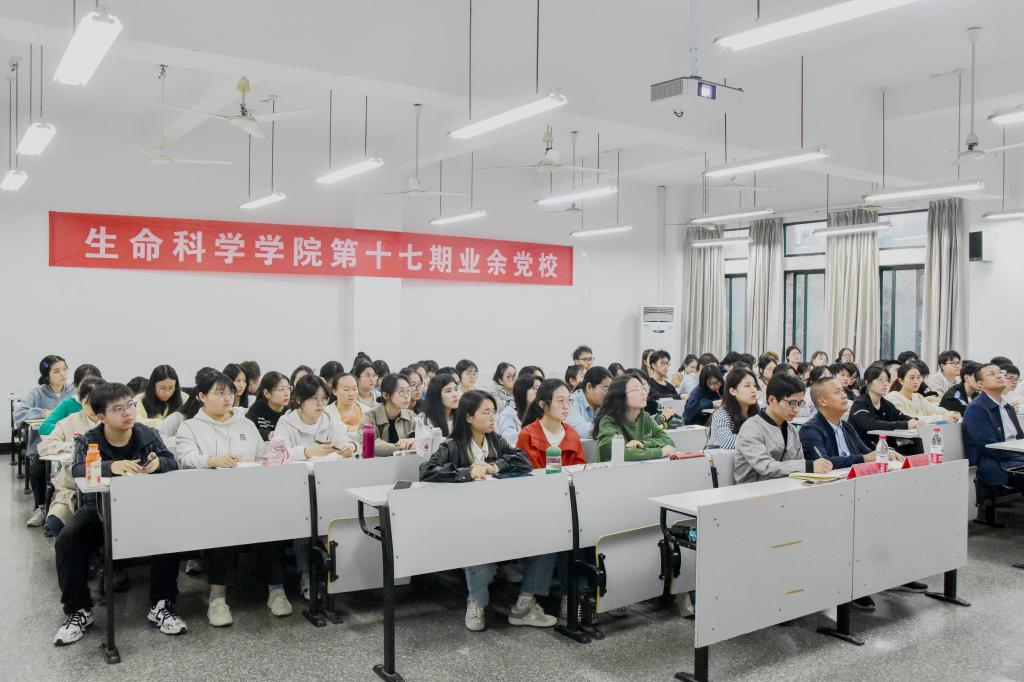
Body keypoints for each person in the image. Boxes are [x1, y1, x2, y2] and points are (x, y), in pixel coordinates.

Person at [54, 382, 186, 645]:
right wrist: (111, 466)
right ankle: (79, 610)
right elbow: (79, 469)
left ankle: (161, 604)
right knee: (68, 540)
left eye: (131, 405)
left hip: (143, 507)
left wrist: (159, 463)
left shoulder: (148, 434)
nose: (128, 412)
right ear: (101, 416)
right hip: (98, 509)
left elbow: (171, 460)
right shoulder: (88, 439)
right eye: (118, 408)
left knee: (169, 534)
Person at [419, 390, 557, 631]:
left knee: (548, 540)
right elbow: (427, 471)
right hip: (469, 521)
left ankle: (525, 604)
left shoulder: (496, 440)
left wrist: (494, 467)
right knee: (479, 548)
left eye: (494, 412)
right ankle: (476, 602)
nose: (492, 417)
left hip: (503, 515)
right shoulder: (452, 445)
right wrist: (466, 472)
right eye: (485, 412)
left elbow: (523, 461)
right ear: (468, 417)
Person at [172, 371, 290, 626]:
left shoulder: (244, 424)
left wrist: (275, 453)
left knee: (274, 523)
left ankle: (276, 591)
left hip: (250, 498)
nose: (227, 398)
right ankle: (217, 599)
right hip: (210, 502)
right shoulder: (190, 427)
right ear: (202, 396)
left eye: (230, 393)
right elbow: (186, 457)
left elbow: (261, 456)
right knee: (222, 528)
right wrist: (211, 460)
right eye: (219, 393)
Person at [733, 374, 832, 485]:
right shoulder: (751, 429)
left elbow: (798, 465)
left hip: (784, 488)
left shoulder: (791, 429)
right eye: (792, 403)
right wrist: (809, 466)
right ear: (772, 400)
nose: (797, 409)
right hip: (751, 490)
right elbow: (766, 467)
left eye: (799, 403)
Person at [38, 377, 103, 537]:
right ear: (81, 401)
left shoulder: (112, 420)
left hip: (105, 483)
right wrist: (74, 446)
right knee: (56, 523)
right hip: (71, 485)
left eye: (99, 403)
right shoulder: (71, 421)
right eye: (88, 403)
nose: (94, 408)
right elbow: (44, 446)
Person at [17, 355, 75, 528]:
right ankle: (41, 508)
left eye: (64, 369)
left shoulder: (74, 391)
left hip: (69, 442)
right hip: (44, 446)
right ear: (46, 375)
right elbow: (19, 413)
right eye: (57, 371)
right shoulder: (36, 393)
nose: (63, 374)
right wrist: (43, 413)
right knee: (37, 466)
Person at [962, 363, 1024, 489]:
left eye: (1000, 372)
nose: (999, 376)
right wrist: (1019, 456)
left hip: (1015, 458)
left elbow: (1020, 438)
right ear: (980, 384)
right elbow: (989, 447)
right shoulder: (976, 408)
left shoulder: (1007, 406)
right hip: (995, 463)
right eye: (992, 374)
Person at [800, 378, 883, 469]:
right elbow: (823, 462)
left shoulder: (847, 427)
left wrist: (882, 453)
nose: (844, 395)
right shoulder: (810, 430)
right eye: (837, 392)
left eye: (843, 391)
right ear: (822, 401)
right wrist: (862, 459)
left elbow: (867, 453)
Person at [274, 375, 358, 461]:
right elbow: (278, 454)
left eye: (324, 398)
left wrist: (352, 446)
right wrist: (307, 452)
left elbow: (346, 442)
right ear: (299, 399)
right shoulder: (286, 422)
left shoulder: (329, 420)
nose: (320, 403)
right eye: (314, 398)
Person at [594, 375, 676, 462]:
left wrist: (642, 444)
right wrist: (660, 452)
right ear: (621, 396)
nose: (643, 393)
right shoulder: (608, 421)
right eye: (636, 390)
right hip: (612, 470)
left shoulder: (644, 417)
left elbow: (669, 442)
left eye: (643, 388)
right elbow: (616, 452)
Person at [849, 366, 922, 451]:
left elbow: (902, 417)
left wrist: (915, 421)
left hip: (884, 448)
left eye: (887, 380)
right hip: (863, 449)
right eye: (880, 380)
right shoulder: (859, 404)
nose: (885, 384)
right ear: (867, 382)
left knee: (917, 445)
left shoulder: (887, 404)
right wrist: (905, 425)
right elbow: (870, 424)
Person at [516, 379, 584, 469]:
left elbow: (580, 470)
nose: (566, 406)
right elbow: (527, 472)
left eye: (569, 400)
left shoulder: (572, 434)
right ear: (543, 404)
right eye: (561, 400)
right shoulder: (527, 436)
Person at [39, 364, 103, 436]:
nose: (90, 388)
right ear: (76, 386)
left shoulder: (107, 402)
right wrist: (68, 429)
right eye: (85, 385)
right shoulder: (68, 403)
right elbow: (44, 428)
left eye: (95, 384)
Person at [363, 373, 417, 456]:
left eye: (408, 391)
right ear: (385, 395)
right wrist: (400, 447)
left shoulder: (411, 416)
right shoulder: (369, 417)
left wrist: (412, 440)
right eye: (401, 391)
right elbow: (368, 445)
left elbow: (424, 439)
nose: (407, 396)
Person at [885, 363, 959, 423]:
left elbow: (935, 410)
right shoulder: (893, 397)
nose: (916, 381)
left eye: (918, 377)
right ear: (901, 381)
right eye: (912, 378)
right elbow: (907, 418)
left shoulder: (918, 397)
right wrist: (942, 418)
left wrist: (950, 413)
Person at [706, 369, 760, 450]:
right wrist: (758, 439)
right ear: (733, 391)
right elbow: (727, 442)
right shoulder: (722, 414)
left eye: (754, 385)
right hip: (719, 457)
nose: (753, 390)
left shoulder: (756, 412)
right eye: (747, 386)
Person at [567, 366, 612, 440]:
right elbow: (581, 430)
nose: (608, 393)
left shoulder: (604, 402)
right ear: (589, 387)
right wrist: (609, 429)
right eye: (605, 389)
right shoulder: (571, 401)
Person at [245, 371, 291, 440]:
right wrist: (268, 434)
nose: (287, 393)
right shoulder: (257, 407)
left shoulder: (290, 412)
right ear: (267, 393)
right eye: (281, 389)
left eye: (288, 388)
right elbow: (247, 429)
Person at [497, 375, 540, 445]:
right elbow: (508, 439)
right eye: (535, 388)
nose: (540, 392)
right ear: (523, 391)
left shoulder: (543, 411)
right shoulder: (508, 414)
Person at [421, 373, 461, 437]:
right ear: (436, 395)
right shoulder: (425, 420)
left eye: (456, 389)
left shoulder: (463, 416)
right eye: (448, 391)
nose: (455, 395)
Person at [645, 350, 681, 421]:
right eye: (662, 363)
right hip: (653, 422)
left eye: (667, 364)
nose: (665, 366)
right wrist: (680, 396)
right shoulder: (648, 383)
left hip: (671, 422)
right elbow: (657, 397)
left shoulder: (670, 386)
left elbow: (676, 406)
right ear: (653, 365)